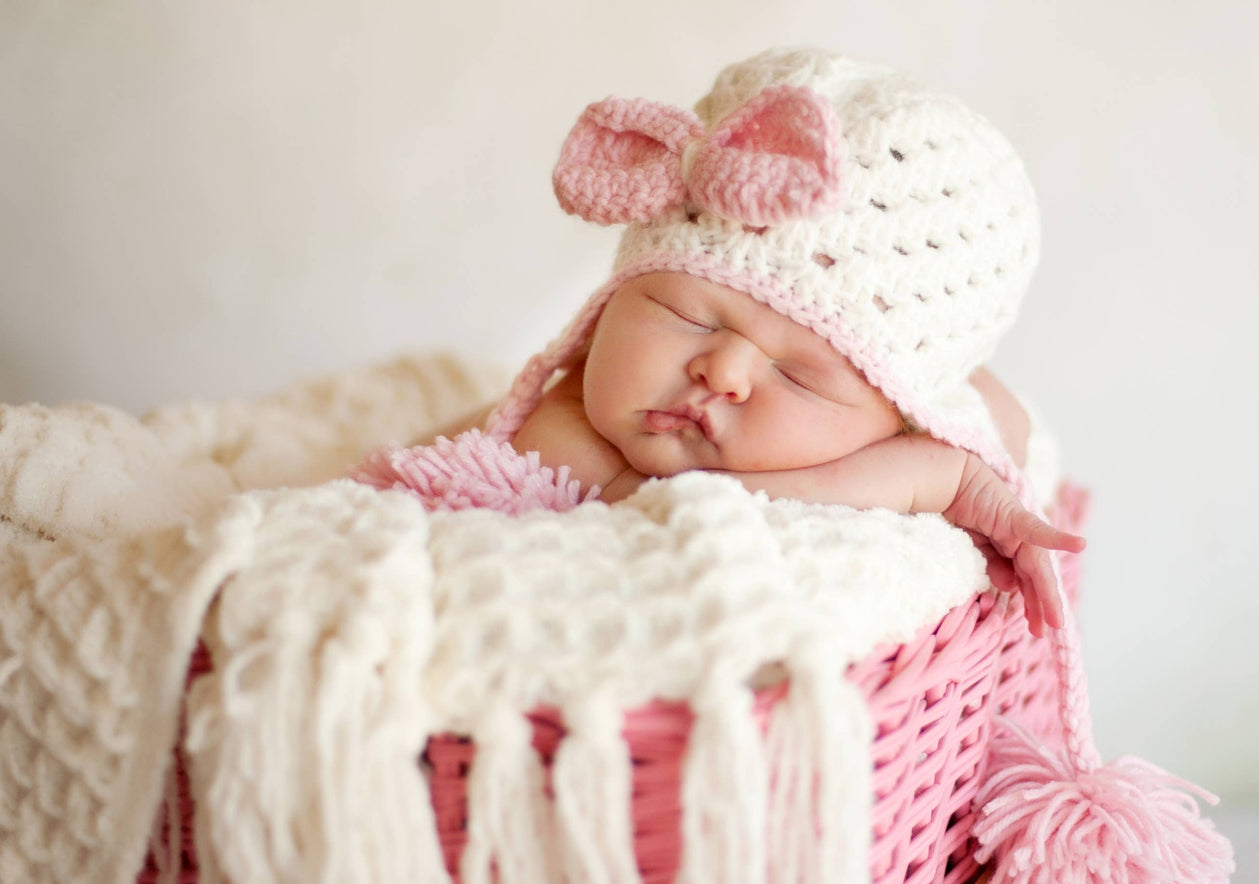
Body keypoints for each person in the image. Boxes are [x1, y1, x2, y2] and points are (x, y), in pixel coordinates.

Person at [385, 47, 1085, 635]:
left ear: (903, 416)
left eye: (799, 374)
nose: (722, 371)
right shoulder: (562, 440)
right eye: (688, 316)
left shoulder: (898, 408)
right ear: (609, 306)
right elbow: (690, 509)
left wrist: (960, 455)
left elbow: (1001, 417)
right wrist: (934, 480)